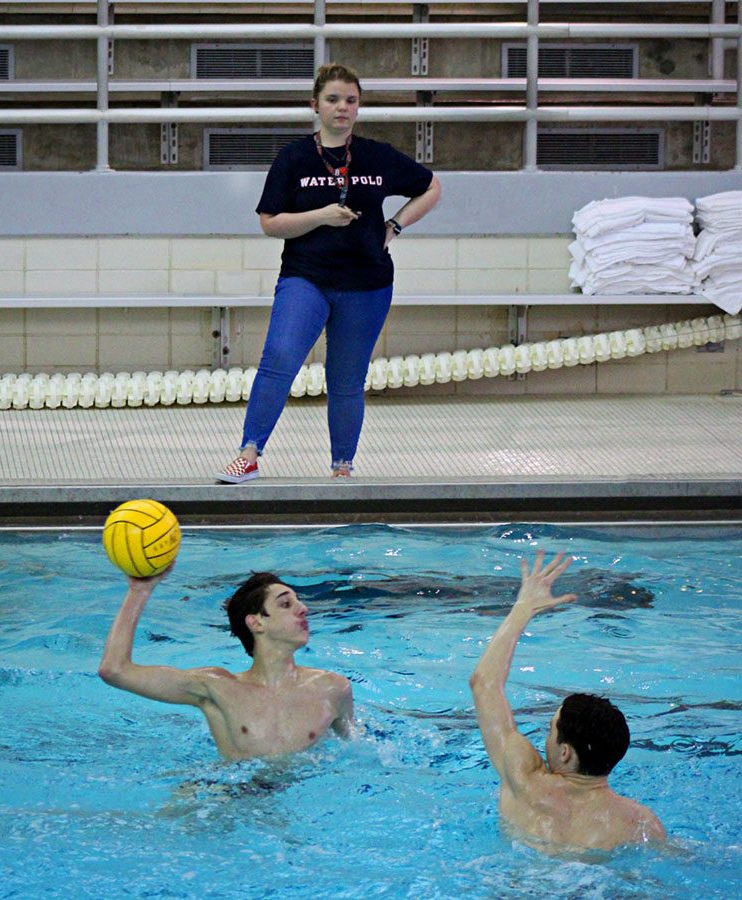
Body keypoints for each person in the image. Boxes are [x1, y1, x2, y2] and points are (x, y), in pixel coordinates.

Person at [216, 62, 441, 483]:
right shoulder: (295, 157)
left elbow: (431, 187)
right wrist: (320, 216)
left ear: (358, 107)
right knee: (280, 357)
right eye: (333, 99)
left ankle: (342, 467)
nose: (342, 107)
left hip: (367, 283)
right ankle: (249, 453)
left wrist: (394, 226)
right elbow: (270, 222)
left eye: (351, 100)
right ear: (315, 105)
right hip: (307, 277)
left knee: (347, 378)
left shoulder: (377, 155)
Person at [469, 550, 666, 851]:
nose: (544, 736)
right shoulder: (639, 823)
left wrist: (523, 608)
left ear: (565, 753)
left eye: (550, 729)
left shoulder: (526, 784)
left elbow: (484, 684)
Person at [99, 569, 353, 760]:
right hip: (233, 797)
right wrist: (139, 591)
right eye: (286, 604)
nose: (304, 609)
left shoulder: (333, 689)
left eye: (299, 601)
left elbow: (357, 749)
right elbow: (115, 670)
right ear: (256, 623)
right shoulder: (217, 688)